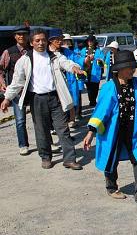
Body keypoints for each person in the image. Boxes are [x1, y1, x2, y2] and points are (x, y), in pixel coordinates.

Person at [83, 50, 137, 202]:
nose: (133, 70)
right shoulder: (109, 87)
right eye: (129, 67)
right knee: (112, 158)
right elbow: (100, 112)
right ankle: (111, 187)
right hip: (113, 132)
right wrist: (90, 133)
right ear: (119, 69)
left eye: (133, 67)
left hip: (134, 130)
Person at [1, 28, 86, 170]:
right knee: (41, 130)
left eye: (43, 40)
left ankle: (70, 159)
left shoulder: (55, 56)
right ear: (32, 43)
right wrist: (7, 98)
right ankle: (46, 157)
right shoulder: (25, 60)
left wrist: (75, 68)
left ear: (47, 41)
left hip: (55, 97)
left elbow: (67, 63)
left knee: (63, 129)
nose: (41, 43)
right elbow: (17, 82)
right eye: (37, 40)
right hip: (37, 99)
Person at [0, 26, 31, 155]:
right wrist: (2, 83)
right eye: (19, 34)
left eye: (24, 34)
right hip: (17, 92)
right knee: (20, 120)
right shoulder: (8, 52)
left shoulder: (34, 50)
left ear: (27, 36)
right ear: (15, 37)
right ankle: (23, 145)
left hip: (34, 90)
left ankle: (47, 143)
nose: (21, 36)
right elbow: (0, 69)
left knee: (40, 119)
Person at [81, 35, 105, 107]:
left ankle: (93, 100)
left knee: (95, 88)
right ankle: (91, 101)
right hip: (86, 71)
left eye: (91, 41)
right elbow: (80, 59)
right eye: (89, 41)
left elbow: (102, 62)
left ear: (94, 42)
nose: (90, 42)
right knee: (88, 88)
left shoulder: (98, 51)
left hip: (95, 72)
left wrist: (95, 59)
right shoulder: (83, 50)